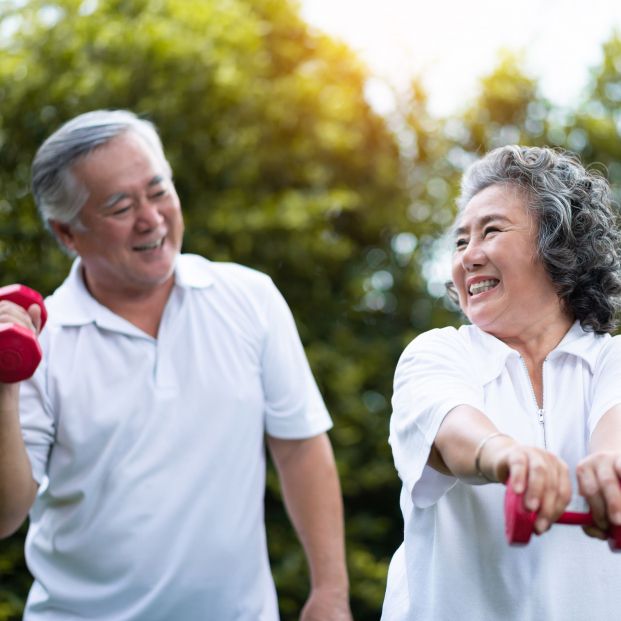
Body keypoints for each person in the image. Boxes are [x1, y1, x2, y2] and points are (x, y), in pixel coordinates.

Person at [0, 109, 353, 621]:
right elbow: (6, 514)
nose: (151, 218)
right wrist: (5, 384)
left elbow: (299, 446)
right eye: (121, 206)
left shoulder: (250, 297)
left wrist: (331, 592)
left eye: (158, 190)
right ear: (68, 233)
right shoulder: (44, 341)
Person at [381, 145, 621, 620]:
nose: (468, 257)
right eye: (459, 241)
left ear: (558, 246)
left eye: (491, 231)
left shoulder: (611, 359)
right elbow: (451, 431)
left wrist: (610, 467)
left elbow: (615, 427)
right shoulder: (438, 352)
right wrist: (504, 454)